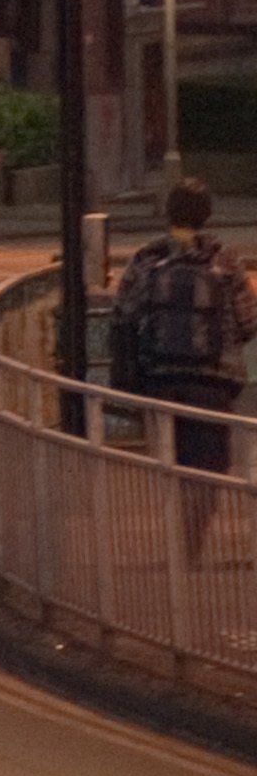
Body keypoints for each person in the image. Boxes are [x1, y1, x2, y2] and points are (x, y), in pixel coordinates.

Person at [106, 176, 249, 528]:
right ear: (207, 215)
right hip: (212, 383)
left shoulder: (147, 258)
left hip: (159, 380)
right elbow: (248, 322)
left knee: (169, 465)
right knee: (209, 469)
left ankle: (174, 542)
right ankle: (193, 539)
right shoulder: (226, 260)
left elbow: (124, 314)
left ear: (168, 214)